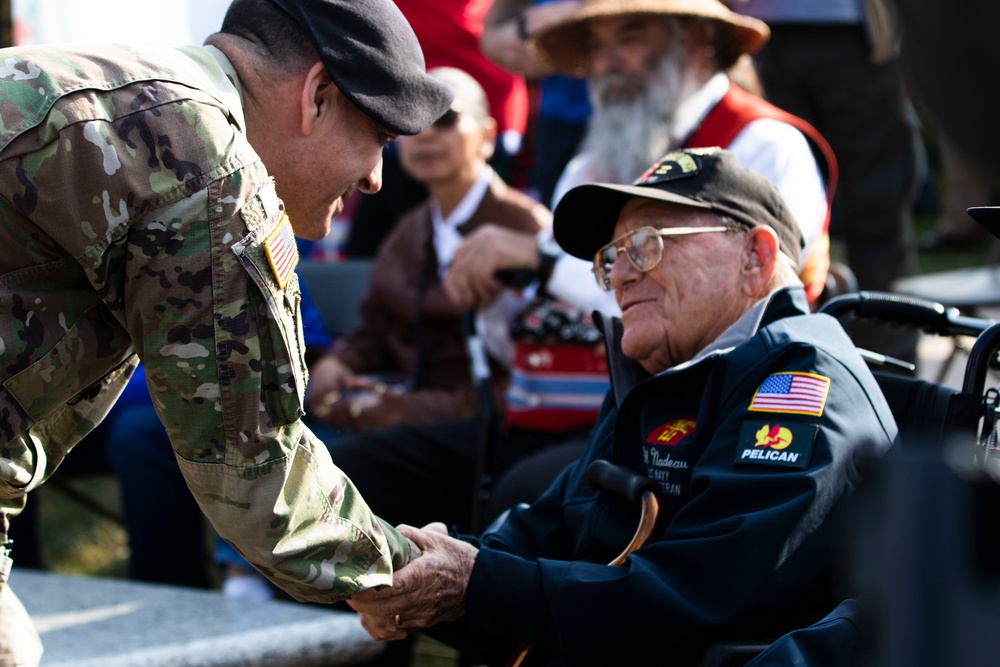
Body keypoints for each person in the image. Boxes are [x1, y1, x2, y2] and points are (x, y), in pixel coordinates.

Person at [0, 0, 454, 662]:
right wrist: (423, 576)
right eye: (378, 137)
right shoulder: (200, 159)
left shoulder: (101, 82)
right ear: (319, 95)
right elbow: (252, 470)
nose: (378, 177)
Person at [346, 147, 898, 665]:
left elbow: (703, 596)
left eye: (650, 242)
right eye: (612, 257)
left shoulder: (798, 381)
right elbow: (551, 529)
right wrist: (420, 568)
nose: (621, 275)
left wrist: (476, 583)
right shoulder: (667, 375)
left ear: (756, 257)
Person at [446, 0, 835, 326]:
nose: (607, 63)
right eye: (596, 46)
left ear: (695, 40)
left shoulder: (767, 143)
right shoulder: (595, 163)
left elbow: (738, 296)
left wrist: (541, 260)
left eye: (629, 36)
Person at [305, 67, 547, 434]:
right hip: (400, 415)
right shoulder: (409, 229)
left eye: (446, 119)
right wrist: (339, 365)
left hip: (484, 434)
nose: (428, 133)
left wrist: (405, 410)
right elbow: (376, 326)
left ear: (487, 135)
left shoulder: (528, 230)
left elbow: (532, 378)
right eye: (415, 122)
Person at [729, 0, 920, 358]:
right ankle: (797, 370)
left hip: (848, 31)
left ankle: (889, 378)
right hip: (763, 33)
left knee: (875, 214)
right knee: (772, 220)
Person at [480, 0, 594, 209]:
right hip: (558, 123)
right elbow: (493, 37)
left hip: (637, 110)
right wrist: (532, 31)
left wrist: (581, 12)